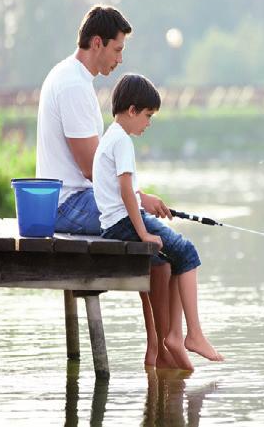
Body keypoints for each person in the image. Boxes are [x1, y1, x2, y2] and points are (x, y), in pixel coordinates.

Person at [35, 5, 183, 368]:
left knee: (156, 241)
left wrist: (139, 198)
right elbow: (91, 169)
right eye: (117, 50)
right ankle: (161, 349)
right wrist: (138, 200)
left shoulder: (72, 78)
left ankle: (159, 347)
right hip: (68, 205)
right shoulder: (73, 85)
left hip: (75, 198)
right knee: (158, 244)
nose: (120, 60)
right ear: (97, 43)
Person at [93, 73, 223, 369]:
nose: (148, 123)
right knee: (188, 252)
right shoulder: (122, 142)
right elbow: (126, 191)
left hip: (114, 224)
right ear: (132, 110)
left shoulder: (110, 137)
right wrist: (143, 231)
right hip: (124, 223)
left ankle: (174, 337)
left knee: (174, 258)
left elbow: (122, 192)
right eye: (148, 115)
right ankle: (193, 334)